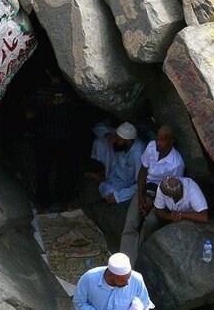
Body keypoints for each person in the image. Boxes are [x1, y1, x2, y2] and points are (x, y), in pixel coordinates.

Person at [120, 126, 184, 263]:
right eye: (157, 139)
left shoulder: (176, 164)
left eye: (162, 140)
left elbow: (172, 191)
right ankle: (125, 259)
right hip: (145, 188)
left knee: (150, 222)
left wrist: (152, 204)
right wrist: (141, 198)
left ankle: (138, 257)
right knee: (131, 220)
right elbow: (143, 171)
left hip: (163, 195)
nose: (158, 143)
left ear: (171, 142)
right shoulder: (151, 147)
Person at [25, 65, 79, 210]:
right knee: (65, 170)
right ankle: (65, 198)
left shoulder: (41, 94)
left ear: (47, 72)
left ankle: (44, 202)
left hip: (45, 137)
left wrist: (44, 109)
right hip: (67, 137)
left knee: (43, 170)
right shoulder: (72, 93)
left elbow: (28, 115)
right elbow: (79, 113)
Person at [86, 121, 146, 205]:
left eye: (118, 140)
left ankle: (103, 181)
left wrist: (119, 197)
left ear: (128, 142)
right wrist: (107, 135)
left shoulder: (137, 155)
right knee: (100, 141)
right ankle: (104, 177)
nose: (115, 140)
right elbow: (97, 127)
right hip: (116, 171)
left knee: (108, 191)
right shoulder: (123, 141)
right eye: (115, 137)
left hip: (128, 182)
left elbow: (141, 183)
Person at [73, 252, 154, 310]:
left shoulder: (137, 279)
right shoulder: (89, 278)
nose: (128, 283)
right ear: (111, 276)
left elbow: (145, 304)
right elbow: (79, 302)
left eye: (129, 278)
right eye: (123, 280)